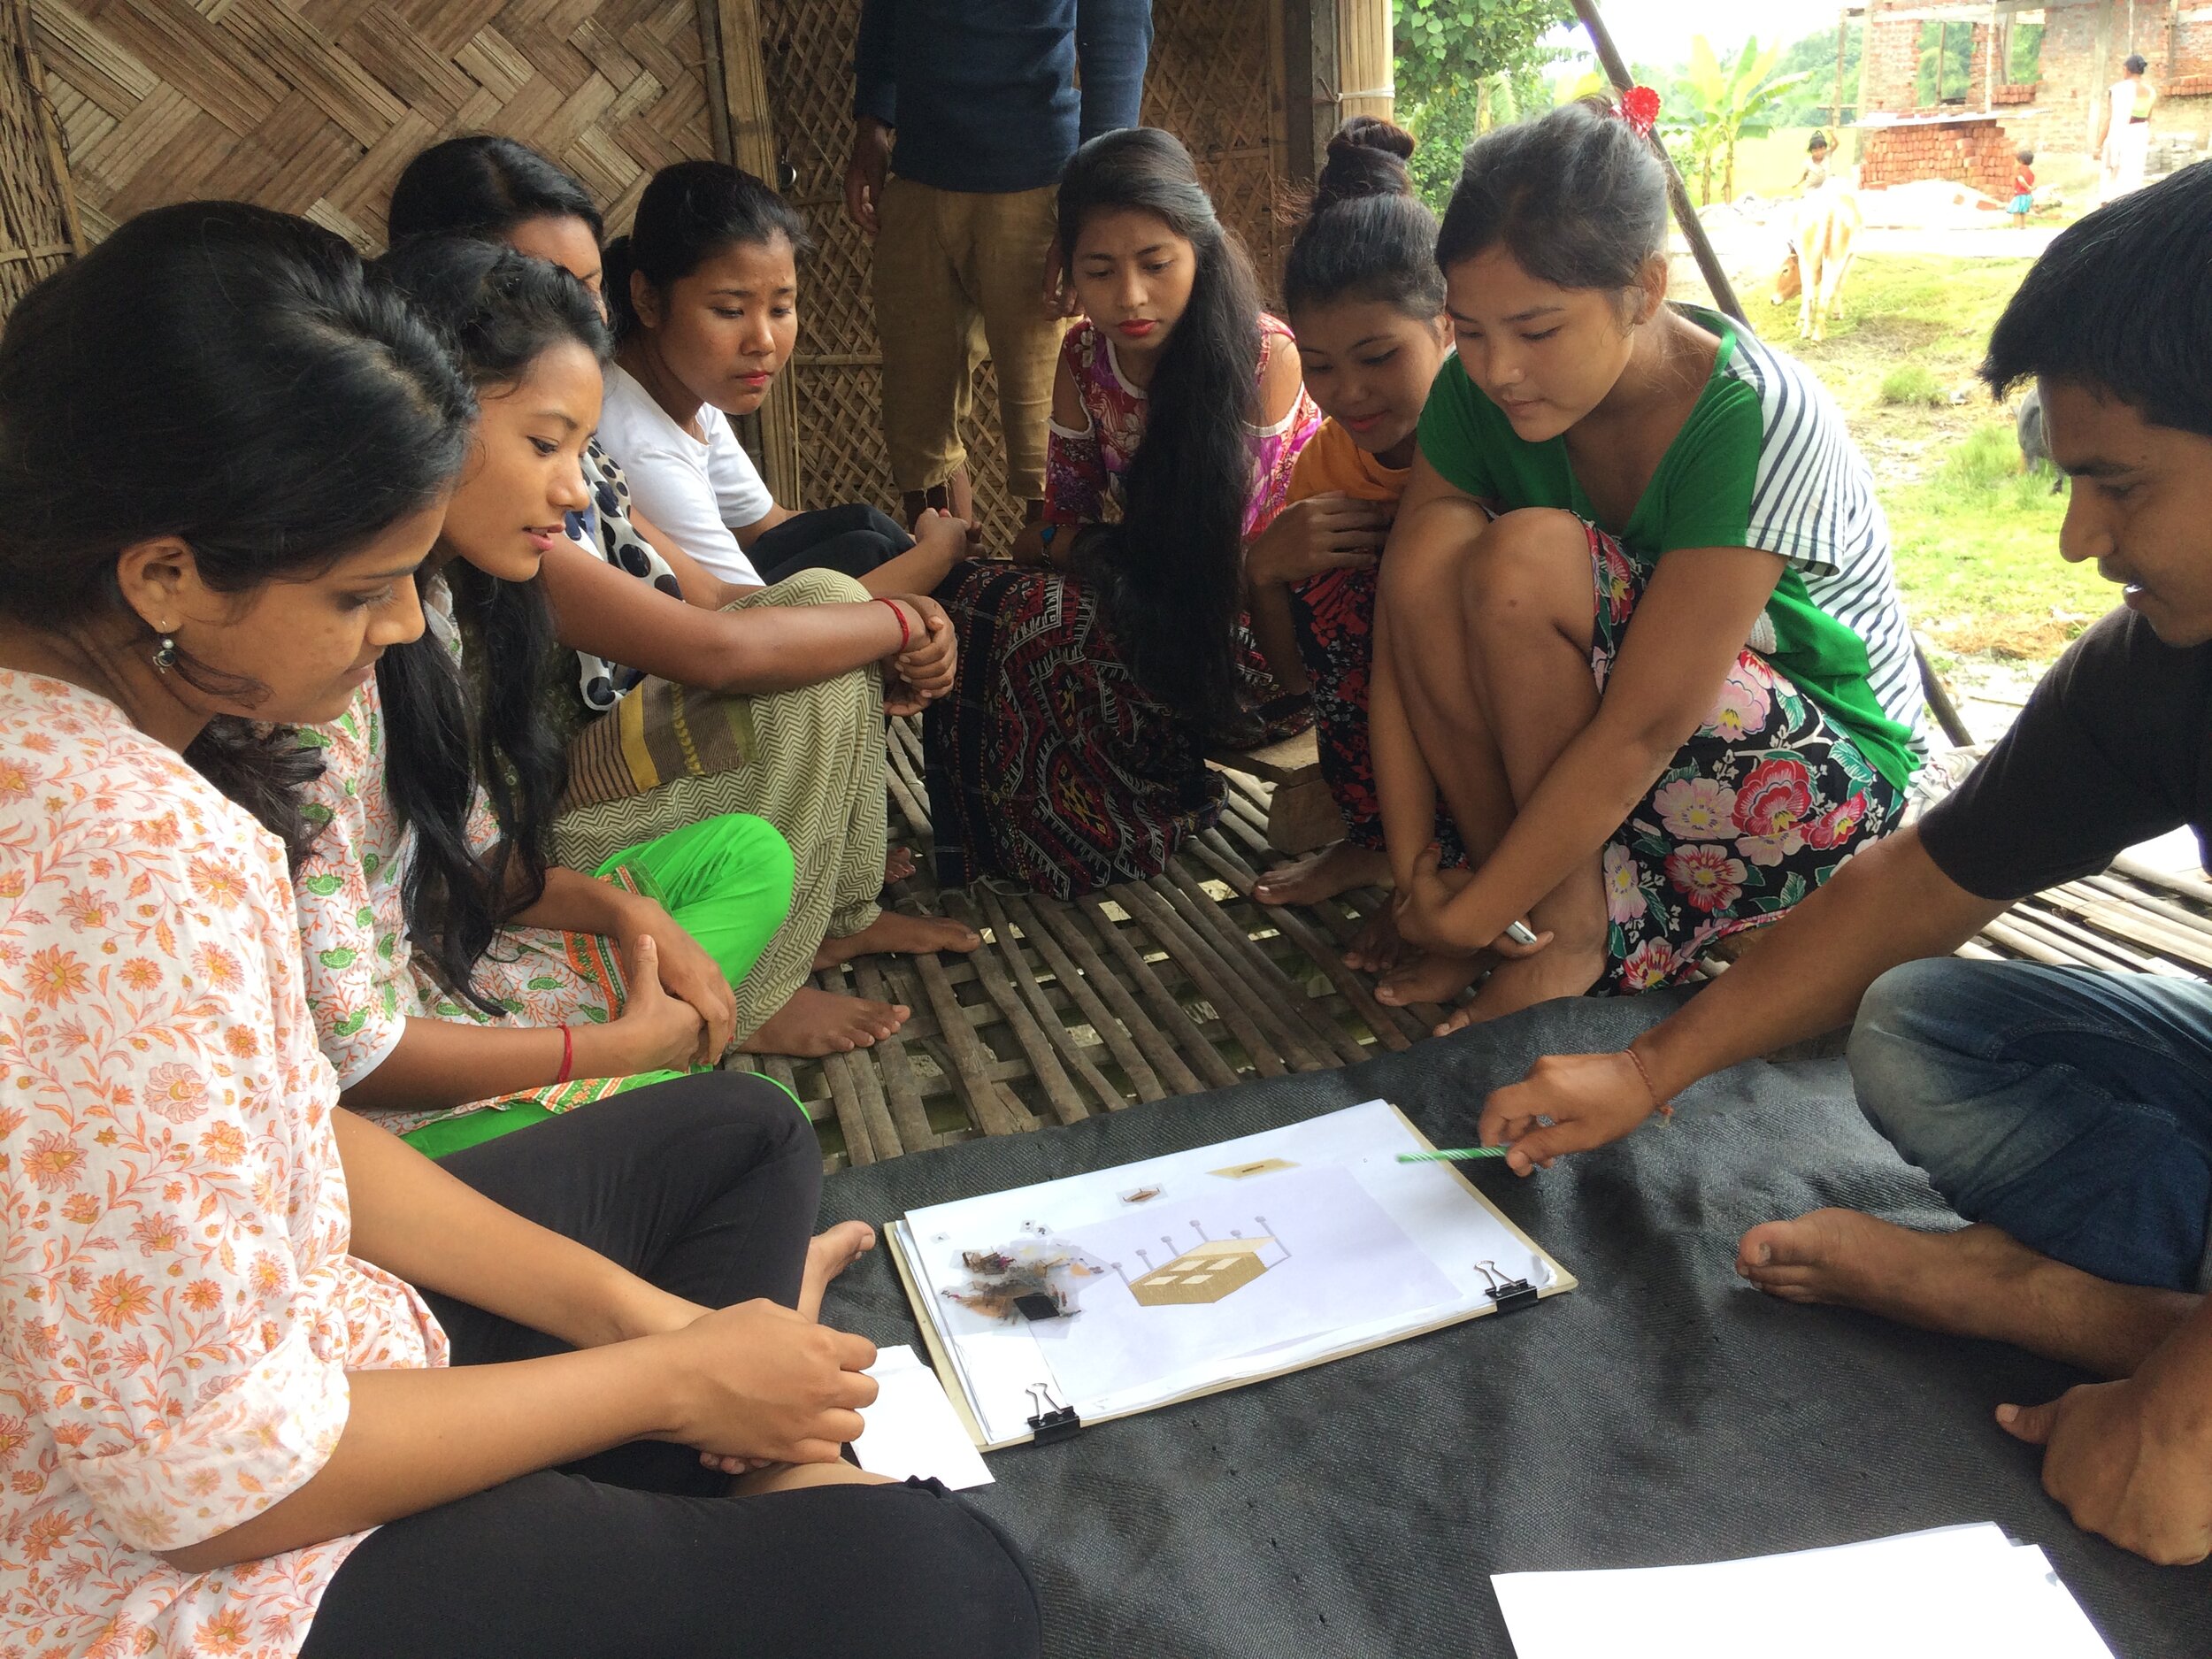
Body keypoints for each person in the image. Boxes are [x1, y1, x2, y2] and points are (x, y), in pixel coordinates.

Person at [0, 200, 1041, 1659]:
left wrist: (654, 1330)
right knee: (940, 1586)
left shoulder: (127, 742)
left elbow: (304, 1134)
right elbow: (206, 1483)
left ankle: (735, 1463)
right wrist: (663, 1382)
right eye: (362, 592)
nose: (406, 632)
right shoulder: (120, 844)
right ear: (164, 573)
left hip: (316, 1357)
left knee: (735, 1133)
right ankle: (755, 1480)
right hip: (178, 1575)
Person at [1477, 165, 2212, 1568]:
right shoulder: (2156, 667)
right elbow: (1917, 883)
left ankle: (2070, 1304)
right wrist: (1644, 1073)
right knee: (1924, 1017)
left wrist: (2178, 1422)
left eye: (2119, 484)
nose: (2080, 539)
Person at [386, 138, 984, 1058]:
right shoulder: (478, 529)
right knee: (819, 631)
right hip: (548, 826)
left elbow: (715, 603)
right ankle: (758, 986)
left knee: (825, 601)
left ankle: (826, 912)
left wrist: (874, 628)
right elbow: (718, 650)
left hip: (571, 783)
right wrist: (908, 612)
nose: (578, 315)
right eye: (540, 286)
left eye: (585, 286)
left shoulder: (574, 461)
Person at [1374, 97, 1924, 1029]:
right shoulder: (1475, 392)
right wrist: (1413, 874)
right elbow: (1403, 618)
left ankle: (1561, 931)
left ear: (1645, 288)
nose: (1497, 368)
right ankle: (1540, 925)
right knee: (1429, 553)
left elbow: (1646, 728)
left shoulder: (1752, 412)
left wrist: (1460, 917)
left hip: (1813, 796)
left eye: (1537, 330)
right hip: (1633, 778)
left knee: (1524, 560)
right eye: (1467, 330)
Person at [922, 126, 1320, 897]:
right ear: (1067, 270)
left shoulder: (1263, 357)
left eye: (1155, 264)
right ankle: (1014, 848)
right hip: (1147, 600)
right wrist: (1084, 545)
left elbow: (1235, 567)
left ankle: (1113, 830)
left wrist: (1085, 546)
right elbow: (1045, 526)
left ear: (1198, 250)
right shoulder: (1083, 359)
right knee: (975, 599)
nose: (1130, 296)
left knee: (1054, 628)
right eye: (1099, 270)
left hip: (1257, 648)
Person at [1245, 119, 1455, 950]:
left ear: (1446, 326)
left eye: (1379, 355)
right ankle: (1383, 845)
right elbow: (1302, 680)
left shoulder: (1502, 436)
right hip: (1391, 743)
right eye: (1322, 366)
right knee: (1340, 576)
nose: (1352, 393)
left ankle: (1460, 863)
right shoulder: (1329, 466)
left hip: (1513, 718)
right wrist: (1262, 571)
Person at [847, 0, 1154, 528]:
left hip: (1037, 193)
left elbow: (1117, 41)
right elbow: (885, 13)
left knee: (1048, 428)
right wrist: (872, 124)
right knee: (918, 423)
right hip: (917, 183)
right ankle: (950, 587)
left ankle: (1054, 599)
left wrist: (1084, 209)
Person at [599, 161, 962, 593]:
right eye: (730, 311)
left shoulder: (687, 390)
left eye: (780, 309)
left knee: (862, 529)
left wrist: (908, 544)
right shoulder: (639, 446)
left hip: (736, 619)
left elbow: (767, 525)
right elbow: (748, 623)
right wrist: (936, 554)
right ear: (648, 300)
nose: (763, 342)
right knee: (870, 556)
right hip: (701, 642)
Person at [2097, 54, 2159, 204]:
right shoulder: (2151, 91)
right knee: (2133, 175)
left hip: (2121, 136)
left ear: (2126, 70)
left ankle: (2108, 208)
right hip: (2140, 135)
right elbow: (2149, 118)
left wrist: (2098, 145)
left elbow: (2110, 118)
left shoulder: (2119, 89)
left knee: (2113, 176)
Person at [1794, 130, 1832, 194]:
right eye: (1815, 151)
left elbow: (1836, 144)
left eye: (1821, 149)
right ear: (1811, 151)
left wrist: (1832, 133)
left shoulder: (1827, 157)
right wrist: (1798, 183)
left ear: (1825, 149)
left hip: (1824, 189)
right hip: (1811, 190)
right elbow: (1804, 176)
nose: (1819, 153)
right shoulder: (1808, 163)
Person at [2009, 148, 2037, 227]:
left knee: (2016, 210)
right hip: (2027, 195)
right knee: (2023, 211)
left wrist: (2027, 187)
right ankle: (2023, 226)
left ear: (2021, 160)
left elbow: (2021, 180)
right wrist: (2030, 188)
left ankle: (2016, 227)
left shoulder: (2019, 169)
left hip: (2020, 194)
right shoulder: (2031, 172)